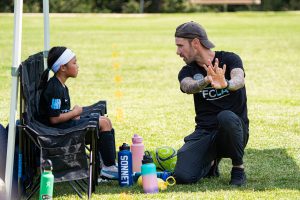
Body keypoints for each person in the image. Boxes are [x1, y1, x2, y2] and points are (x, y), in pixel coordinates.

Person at [173, 21, 249, 186]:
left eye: (180, 46)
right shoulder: (187, 70)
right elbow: (187, 86)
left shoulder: (230, 59)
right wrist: (207, 80)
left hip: (234, 131)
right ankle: (211, 163)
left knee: (226, 117)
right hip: (205, 132)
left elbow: (239, 80)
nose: (178, 52)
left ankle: (238, 168)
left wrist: (226, 84)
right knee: (182, 176)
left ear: (195, 43)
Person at [38, 46, 118, 179]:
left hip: (64, 126)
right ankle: (108, 168)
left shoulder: (61, 86)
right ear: (63, 67)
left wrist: (73, 114)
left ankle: (108, 164)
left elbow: (59, 113)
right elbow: (54, 119)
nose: (77, 66)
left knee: (105, 121)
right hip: (58, 133)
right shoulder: (55, 88)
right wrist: (74, 112)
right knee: (103, 123)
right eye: (74, 63)